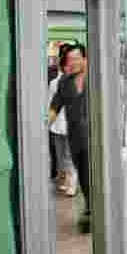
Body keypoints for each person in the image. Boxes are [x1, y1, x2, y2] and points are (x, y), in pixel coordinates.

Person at [48, 44, 92, 231]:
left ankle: (94, 210)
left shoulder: (96, 78)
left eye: (76, 58)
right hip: (76, 139)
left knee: (95, 175)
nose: (73, 63)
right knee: (83, 176)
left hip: (95, 139)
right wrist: (45, 123)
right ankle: (91, 206)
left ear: (84, 59)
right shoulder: (64, 82)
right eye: (70, 60)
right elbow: (55, 106)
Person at [48, 42, 77, 197]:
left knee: (69, 156)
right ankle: (66, 181)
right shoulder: (54, 82)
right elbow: (50, 103)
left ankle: (72, 183)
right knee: (61, 156)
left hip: (71, 124)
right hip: (57, 125)